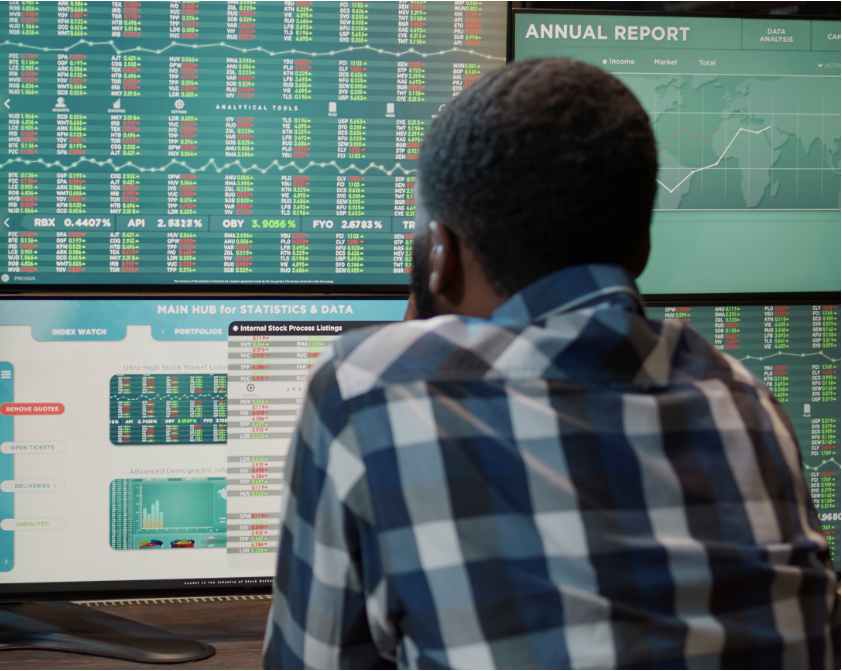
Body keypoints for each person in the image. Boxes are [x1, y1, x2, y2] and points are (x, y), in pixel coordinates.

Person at [263, 58, 838, 669]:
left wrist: (415, 339)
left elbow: (311, 660)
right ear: (641, 249)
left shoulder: (371, 389)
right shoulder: (749, 405)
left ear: (439, 256)